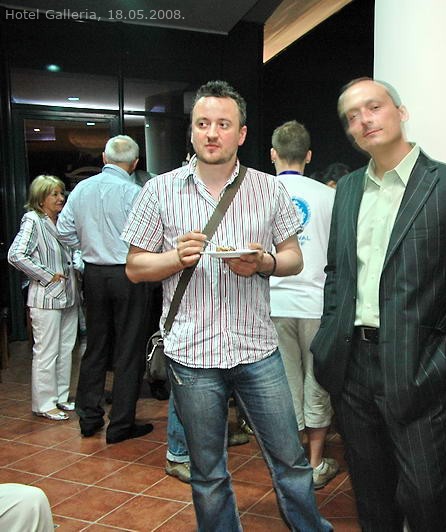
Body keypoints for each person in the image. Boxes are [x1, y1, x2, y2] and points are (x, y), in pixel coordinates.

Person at [122, 80, 331, 531]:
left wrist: (263, 262)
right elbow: (135, 267)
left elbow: (293, 258)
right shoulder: (159, 190)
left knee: (290, 461)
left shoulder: (268, 190)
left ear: (241, 133)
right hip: (191, 354)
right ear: (192, 131)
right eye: (203, 124)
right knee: (208, 473)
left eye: (223, 124)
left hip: (258, 350)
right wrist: (174, 258)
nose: (212, 133)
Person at [311, 77, 446, 530]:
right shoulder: (347, 189)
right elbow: (337, 273)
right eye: (352, 116)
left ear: (401, 111)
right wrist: (329, 338)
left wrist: (445, 364)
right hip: (351, 366)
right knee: (371, 498)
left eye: (373, 107)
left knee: (426, 496)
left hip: (417, 366)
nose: (363, 120)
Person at [57, 135, 153, 443]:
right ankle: (120, 424)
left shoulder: (81, 189)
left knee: (95, 345)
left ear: (103, 158)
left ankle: (88, 417)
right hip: (129, 273)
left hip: (94, 274)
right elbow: (150, 238)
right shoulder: (134, 192)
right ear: (135, 163)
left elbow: (63, 231)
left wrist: (87, 246)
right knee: (129, 348)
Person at [269, 120, 339, 489]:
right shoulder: (329, 196)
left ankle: (293, 463)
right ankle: (315, 463)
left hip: (273, 302)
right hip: (317, 303)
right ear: (309, 156)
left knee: (284, 386)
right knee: (317, 384)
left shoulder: (259, 193)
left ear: (273, 154)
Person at [8, 175, 79, 421]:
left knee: (66, 349)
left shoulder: (62, 221)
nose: (61, 198)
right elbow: (16, 255)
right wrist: (48, 276)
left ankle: (60, 396)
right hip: (46, 298)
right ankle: (44, 403)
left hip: (69, 296)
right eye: (54, 194)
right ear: (40, 200)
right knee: (47, 352)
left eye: (61, 193)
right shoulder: (33, 220)